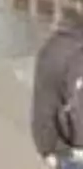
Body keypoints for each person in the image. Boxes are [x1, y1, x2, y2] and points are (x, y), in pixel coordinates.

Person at [33, 10, 83, 167]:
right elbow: (45, 104)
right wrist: (47, 148)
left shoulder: (57, 48)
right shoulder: (59, 49)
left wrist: (47, 148)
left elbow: (45, 103)